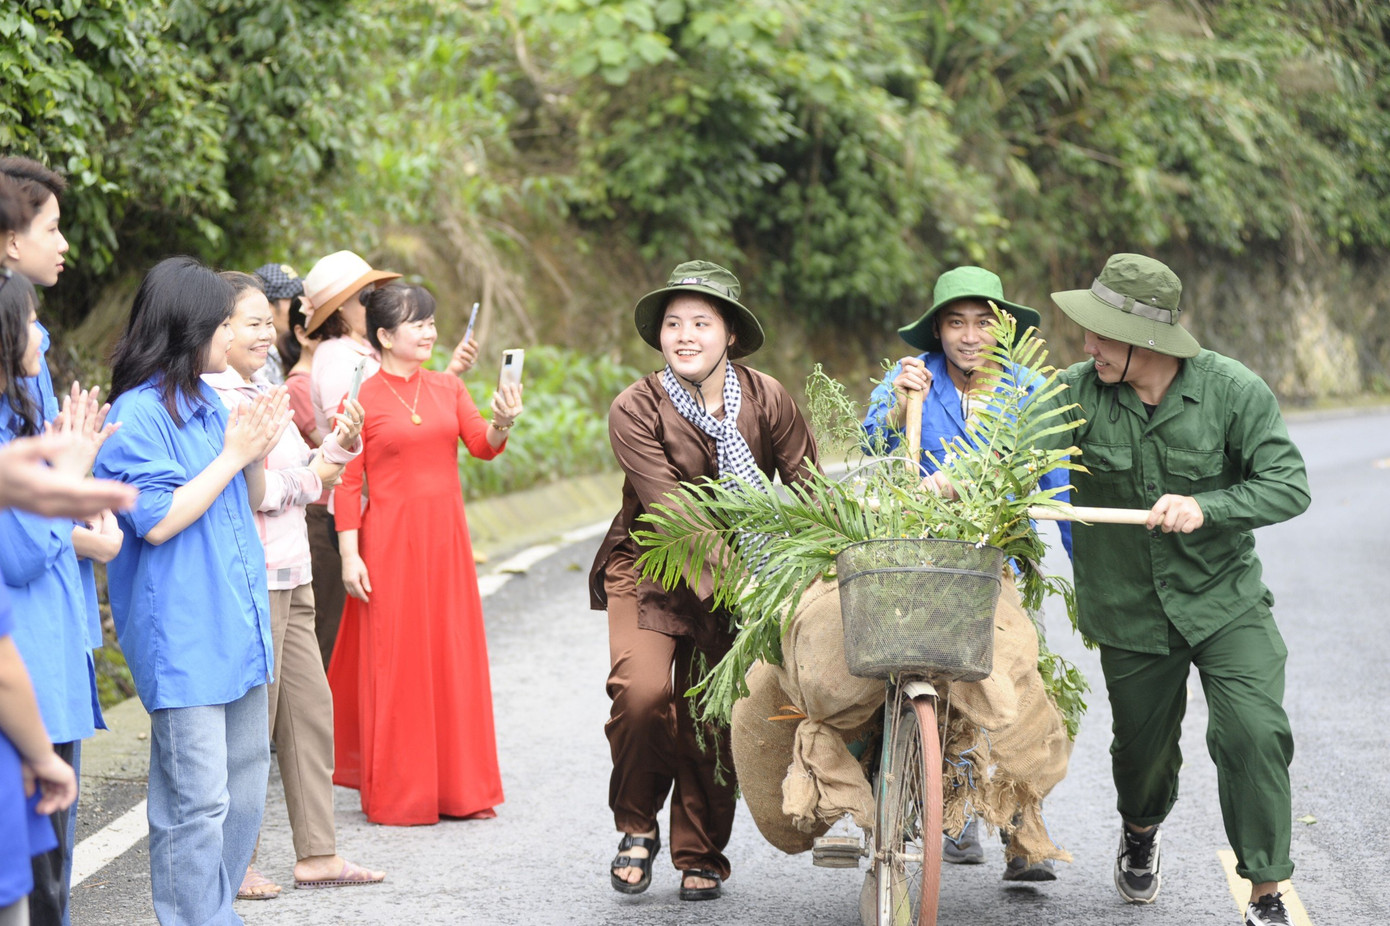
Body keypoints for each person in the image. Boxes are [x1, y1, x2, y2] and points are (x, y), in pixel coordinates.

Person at [1041, 254, 1310, 926]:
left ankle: (1267, 894)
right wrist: (956, 482)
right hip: (1129, 611)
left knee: (1253, 733)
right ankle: (1140, 833)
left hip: (1225, 602)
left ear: (1148, 341)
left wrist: (1207, 506)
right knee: (1142, 756)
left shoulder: (1233, 392)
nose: (1087, 344)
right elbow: (1007, 455)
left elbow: (1289, 484)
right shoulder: (1073, 393)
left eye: (1102, 333)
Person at [590, 260, 820, 901]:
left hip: (747, 576)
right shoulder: (635, 407)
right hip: (654, 568)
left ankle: (701, 852)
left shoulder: (770, 397)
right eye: (673, 323)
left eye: (701, 322)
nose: (684, 335)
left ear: (730, 336)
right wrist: (745, 581)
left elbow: (807, 487)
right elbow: (671, 511)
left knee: (715, 715)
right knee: (639, 695)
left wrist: (822, 559)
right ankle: (637, 825)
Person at [92, 257, 292, 926]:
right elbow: (156, 522)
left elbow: (253, 497)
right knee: (195, 804)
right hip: (183, 635)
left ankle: (216, 913)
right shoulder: (136, 413)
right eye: (221, 325)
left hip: (238, 624)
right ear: (190, 328)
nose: (234, 337)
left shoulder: (211, 400)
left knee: (242, 795)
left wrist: (258, 444)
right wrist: (233, 454)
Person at [862, 265, 1070, 880]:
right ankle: (932, 803)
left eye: (984, 322)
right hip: (916, 559)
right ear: (937, 330)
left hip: (989, 564)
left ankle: (1018, 827)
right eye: (956, 322)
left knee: (1009, 682)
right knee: (896, 674)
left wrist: (1085, 562)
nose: (970, 335)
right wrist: (899, 409)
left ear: (1003, 329)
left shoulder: (1029, 390)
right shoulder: (911, 380)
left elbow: (1057, 485)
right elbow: (875, 453)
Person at [203, 273, 384, 897]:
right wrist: (315, 479)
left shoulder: (264, 385)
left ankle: (318, 853)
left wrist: (336, 445)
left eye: (265, 321)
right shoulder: (217, 396)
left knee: (310, 713)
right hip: (257, 574)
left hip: (295, 569)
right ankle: (239, 858)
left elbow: (297, 470)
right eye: (249, 322)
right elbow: (255, 493)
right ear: (216, 329)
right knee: (258, 720)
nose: (265, 332)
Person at [327, 282, 519, 825]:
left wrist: (504, 417)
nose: (431, 332)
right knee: (400, 662)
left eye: (432, 321)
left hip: (447, 545)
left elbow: (482, 445)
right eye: (418, 323)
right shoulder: (360, 396)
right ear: (385, 336)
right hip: (388, 545)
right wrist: (349, 555)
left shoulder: (446, 387)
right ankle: (401, 794)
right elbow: (346, 481)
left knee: (451, 656)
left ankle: (461, 791)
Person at [0, 270, 117, 926]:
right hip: (28, 676)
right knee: (34, 881)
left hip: (52, 661)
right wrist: (67, 489)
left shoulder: (22, 422)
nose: (42, 332)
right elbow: (18, 553)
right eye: (30, 319)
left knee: (49, 878)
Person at [302, 251, 481, 666]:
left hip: (398, 518)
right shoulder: (339, 363)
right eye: (364, 294)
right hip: (367, 521)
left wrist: (448, 379)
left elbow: (413, 422)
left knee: (416, 641)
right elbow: (353, 457)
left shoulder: (368, 359)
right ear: (342, 310)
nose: (372, 299)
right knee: (364, 643)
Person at [251, 263, 304, 385]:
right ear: (268, 305)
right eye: (293, 299)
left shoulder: (278, 352)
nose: (299, 305)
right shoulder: (258, 360)